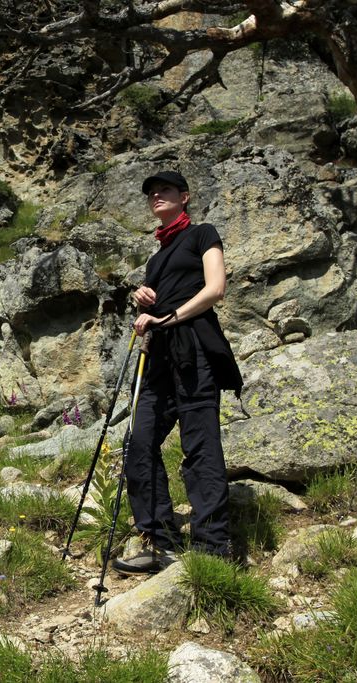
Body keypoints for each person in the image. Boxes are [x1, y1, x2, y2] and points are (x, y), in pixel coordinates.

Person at [112, 170, 243, 575]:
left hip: (195, 348)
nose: (156, 195)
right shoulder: (156, 257)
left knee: (199, 444)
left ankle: (212, 547)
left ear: (184, 197)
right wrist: (142, 301)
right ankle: (158, 540)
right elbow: (150, 313)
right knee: (139, 443)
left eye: (164, 190)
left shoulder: (204, 233)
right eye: (151, 192)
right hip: (159, 356)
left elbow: (215, 288)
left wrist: (169, 316)